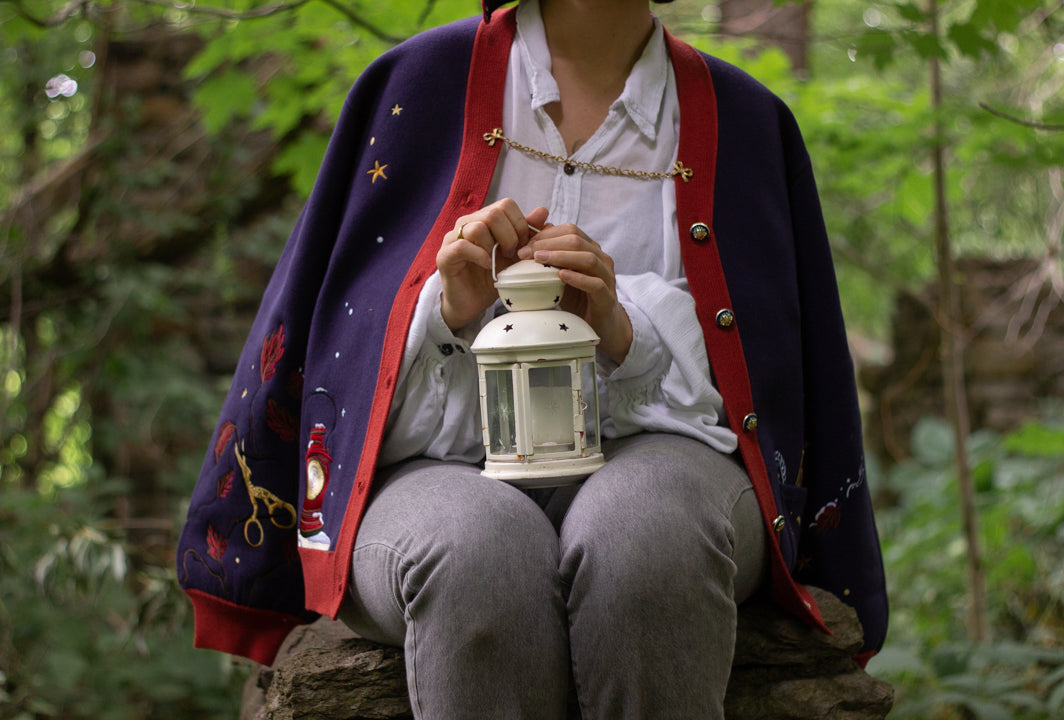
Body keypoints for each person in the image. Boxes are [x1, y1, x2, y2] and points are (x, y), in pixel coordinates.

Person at [176, 1, 888, 717]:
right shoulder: (417, 84)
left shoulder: (744, 120)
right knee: (478, 553)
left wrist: (619, 326)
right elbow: (346, 354)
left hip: (672, 464)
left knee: (645, 538)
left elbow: (764, 379)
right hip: (428, 476)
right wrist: (447, 310)